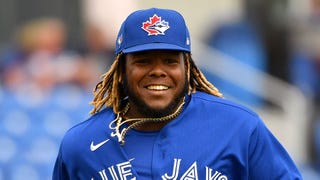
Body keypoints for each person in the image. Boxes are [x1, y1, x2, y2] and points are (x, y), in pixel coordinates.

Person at [53, 8, 302, 179]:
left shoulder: (240, 128)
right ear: (121, 69)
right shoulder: (81, 144)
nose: (158, 71)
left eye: (170, 61)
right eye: (143, 61)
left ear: (187, 67)